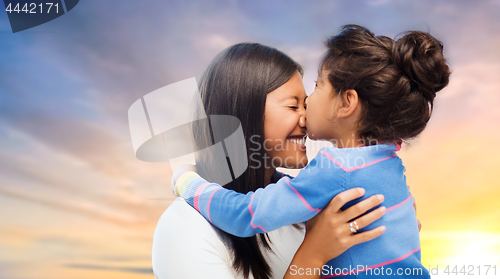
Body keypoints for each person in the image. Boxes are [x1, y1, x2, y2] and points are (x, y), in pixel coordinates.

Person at [173, 25, 449, 278]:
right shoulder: (388, 161)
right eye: (294, 106)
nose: (305, 113)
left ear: (346, 103)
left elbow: (246, 215)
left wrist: (187, 183)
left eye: (317, 87)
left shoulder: (335, 167)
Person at [152, 42, 389, 279]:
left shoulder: (307, 213)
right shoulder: (183, 227)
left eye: (305, 105)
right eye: (292, 106)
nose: (306, 119)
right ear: (243, 113)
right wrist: (314, 253)